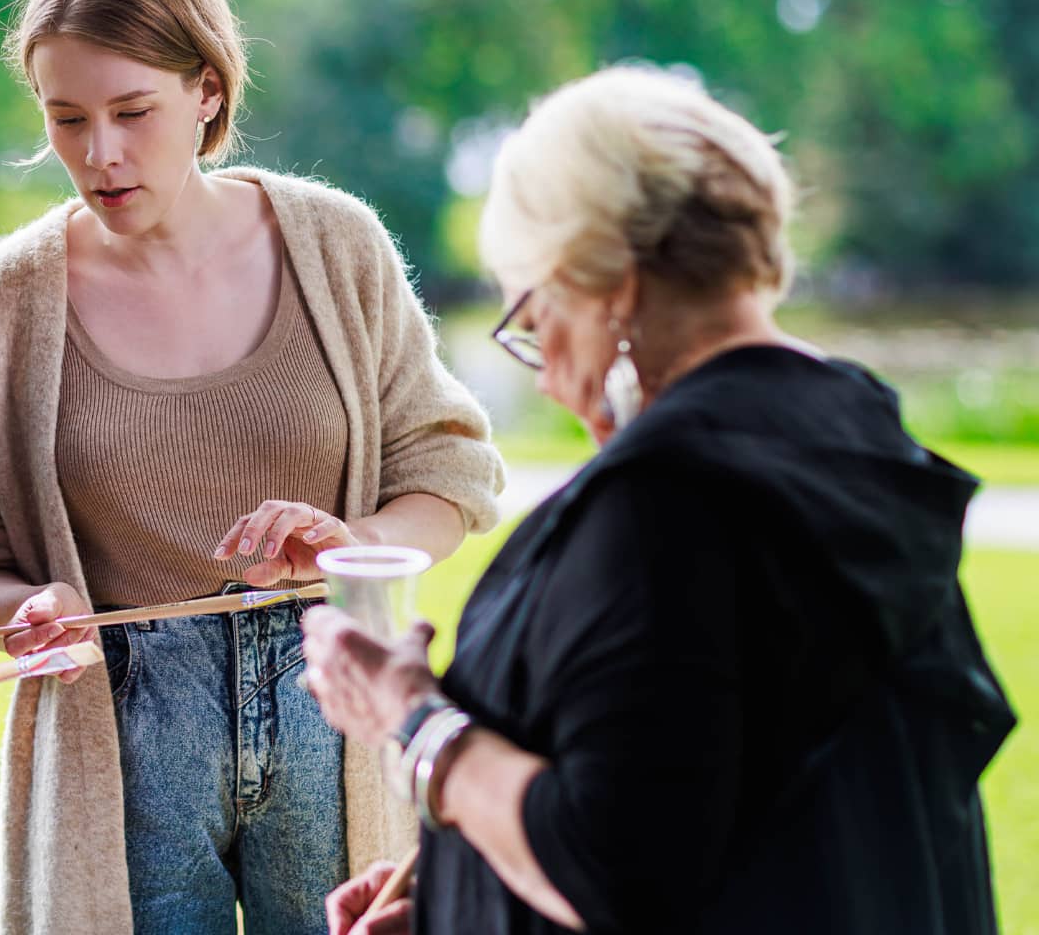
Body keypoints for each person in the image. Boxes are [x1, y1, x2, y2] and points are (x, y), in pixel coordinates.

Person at [307, 64, 1013, 935]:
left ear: (609, 285)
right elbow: (737, 805)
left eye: (535, 319)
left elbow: (614, 863)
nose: (555, 382)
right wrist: (466, 889)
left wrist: (411, 717)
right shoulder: (857, 442)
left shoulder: (667, 507)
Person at [0, 0, 505, 935]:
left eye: (131, 111)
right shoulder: (3, 306)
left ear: (206, 90)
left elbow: (450, 471)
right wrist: (27, 609)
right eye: (65, 117)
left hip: (336, 705)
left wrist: (355, 549)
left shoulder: (337, 244)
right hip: (121, 731)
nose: (96, 153)